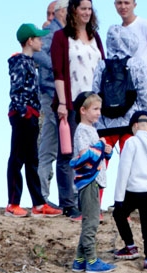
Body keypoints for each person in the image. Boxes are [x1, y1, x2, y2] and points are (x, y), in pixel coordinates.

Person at [51, 0, 105, 219]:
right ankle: (68, 202)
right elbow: (58, 72)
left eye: (89, 9)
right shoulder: (61, 38)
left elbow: (102, 68)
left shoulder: (95, 37)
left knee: (93, 153)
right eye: (83, 8)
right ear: (73, 10)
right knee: (68, 153)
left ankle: (88, 203)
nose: (86, 12)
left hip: (95, 104)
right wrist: (63, 103)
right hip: (72, 102)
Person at [6, 24, 65, 218]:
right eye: (38, 38)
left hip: (32, 115)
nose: (42, 41)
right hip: (23, 115)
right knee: (17, 158)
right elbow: (16, 90)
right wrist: (24, 113)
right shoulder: (19, 62)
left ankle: (38, 203)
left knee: (32, 159)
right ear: (30, 41)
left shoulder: (31, 63)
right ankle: (13, 203)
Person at [111, 111, 147, 271]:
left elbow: (123, 171)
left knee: (119, 214)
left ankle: (130, 246)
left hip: (134, 190)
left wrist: (118, 198)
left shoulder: (132, 142)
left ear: (134, 126)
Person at [70, 92, 115, 273]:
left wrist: (107, 150)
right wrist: (100, 147)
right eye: (95, 109)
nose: (98, 113)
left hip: (94, 181)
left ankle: (79, 260)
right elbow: (84, 156)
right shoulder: (82, 130)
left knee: (91, 219)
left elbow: (97, 155)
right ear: (83, 110)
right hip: (88, 181)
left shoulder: (91, 130)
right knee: (91, 221)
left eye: (99, 109)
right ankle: (91, 260)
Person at [34, 0, 71, 209]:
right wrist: (59, 66)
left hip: (57, 93)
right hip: (51, 93)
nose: (47, 18)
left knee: (50, 145)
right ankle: (48, 196)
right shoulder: (51, 31)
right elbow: (38, 55)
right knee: (57, 144)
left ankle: (43, 196)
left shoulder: (66, 31)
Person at [92, 24, 147, 151]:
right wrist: (145, 117)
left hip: (105, 123)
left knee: (100, 161)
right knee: (130, 162)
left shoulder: (101, 65)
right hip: (131, 121)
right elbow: (144, 94)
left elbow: (96, 93)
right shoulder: (137, 63)